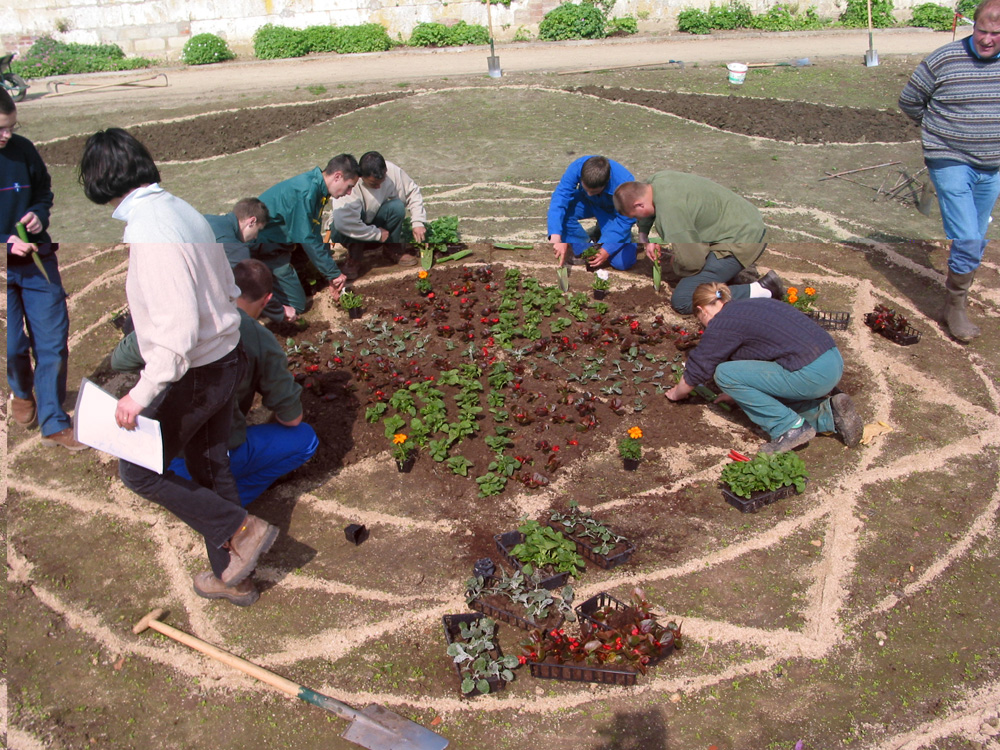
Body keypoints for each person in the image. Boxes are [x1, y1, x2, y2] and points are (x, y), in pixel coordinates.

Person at [79, 127, 279, 608]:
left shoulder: (151, 230)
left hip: (195, 371)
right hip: (224, 358)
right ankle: (235, 576)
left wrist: (140, 394)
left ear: (102, 182)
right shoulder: (180, 208)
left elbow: (178, 329)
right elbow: (223, 288)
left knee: (139, 472)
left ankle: (240, 530)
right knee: (211, 468)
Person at [111, 259, 319, 507]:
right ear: (266, 300)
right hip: (211, 458)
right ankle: (221, 502)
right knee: (305, 439)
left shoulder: (177, 320)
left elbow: (119, 361)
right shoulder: (257, 337)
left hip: (156, 451)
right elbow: (291, 418)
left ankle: (189, 494)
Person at [898, 0, 1000, 343]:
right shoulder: (945, 59)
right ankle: (955, 304)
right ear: (973, 26)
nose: (987, 39)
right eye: (982, 31)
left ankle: (956, 295)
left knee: (976, 233)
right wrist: (937, 134)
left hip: (993, 164)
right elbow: (910, 100)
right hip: (949, 158)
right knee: (969, 236)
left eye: (996, 34)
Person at [664, 282, 864, 454]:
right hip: (832, 361)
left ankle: (789, 428)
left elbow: (698, 368)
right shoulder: (751, 306)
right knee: (766, 396)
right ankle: (829, 414)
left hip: (810, 374)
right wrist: (740, 395)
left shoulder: (722, 322)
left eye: (700, 320)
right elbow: (763, 361)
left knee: (724, 374)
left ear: (702, 310)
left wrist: (677, 393)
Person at [2, 88, 88, 451]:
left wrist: (39, 214)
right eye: (0, 129)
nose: (7, 135)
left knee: (52, 340)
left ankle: (53, 420)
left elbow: (43, 190)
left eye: (11, 127)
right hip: (4, 268)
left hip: (38, 261)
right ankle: (22, 391)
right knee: (13, 343)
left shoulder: (23, 149)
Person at [613, 173, 783, 315]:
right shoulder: (656, 181)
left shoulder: (671, 213)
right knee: (701, 272)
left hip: (742, 241)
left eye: (636, 216)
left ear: (639, 204)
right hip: (741, 222)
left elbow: (692, 263)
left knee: (684, 299)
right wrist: (644, 235)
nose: (638, 220)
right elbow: (648, 210)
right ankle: (725, 274)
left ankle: (761, 289)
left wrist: (678, 262)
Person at [252, 155, 359, 321]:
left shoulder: (317, 188)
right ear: (337, 176)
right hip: (263, 249)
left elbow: (313, 231)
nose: (349, 192)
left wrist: (329, 272)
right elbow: (307, 238)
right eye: (349, 186)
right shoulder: (306, 192)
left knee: (315, 254)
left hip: (281, 242)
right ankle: (254, 294)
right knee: (297, 306)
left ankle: (285, 279)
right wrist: (334, 274)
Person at [328, 151, 427, 278]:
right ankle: (354, 259)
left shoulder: (391, 171)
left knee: (396, 206)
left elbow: (412, 192)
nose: (379, 187)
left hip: (376, 226)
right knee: (345, 220)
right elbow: (345, 224)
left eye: (382, 181)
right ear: (361, 177)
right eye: (373, 184)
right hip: (349, 232)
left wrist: (418, 221)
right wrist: (376, 233)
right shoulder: (351, 184)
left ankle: (392, 249)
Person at [548, 155, 638, 271]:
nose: (590, 193)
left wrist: (606, 250)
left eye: (594, 191)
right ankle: (584, 247)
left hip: (613, 212)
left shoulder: (626, 184)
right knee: (564, 213)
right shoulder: (578, 167)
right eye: (587, 189)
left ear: (607, 180)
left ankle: (609, 232)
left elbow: (625, 220)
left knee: (622, 262)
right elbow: (560, 197)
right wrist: (557, 236)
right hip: (587, 203)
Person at [204, 197, 270, 267]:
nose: (256, 236)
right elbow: (246, 274)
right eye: (258, 230)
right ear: (252, 221)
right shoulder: (232, 245)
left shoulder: (207, 218)